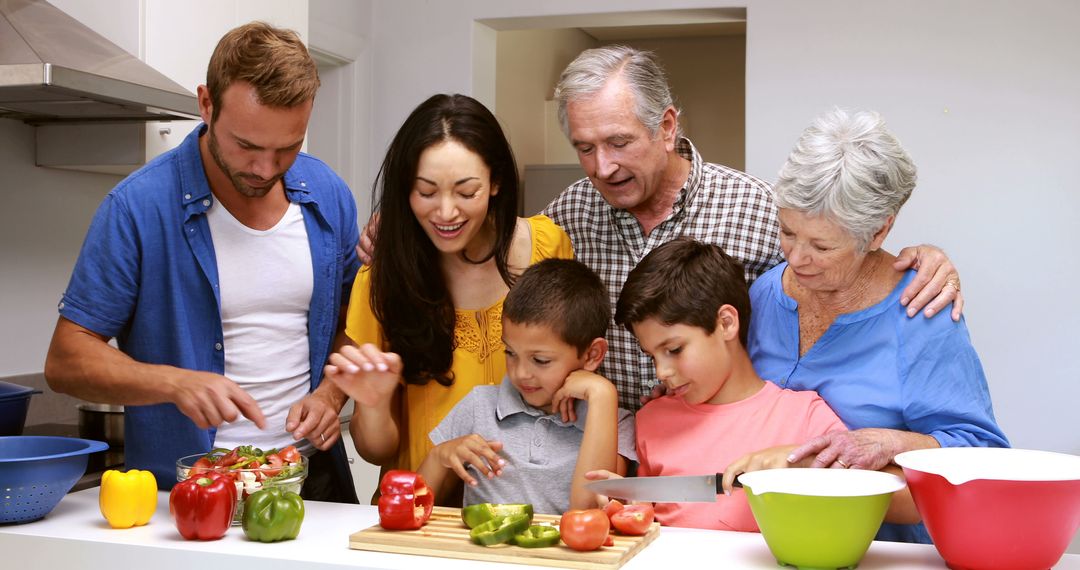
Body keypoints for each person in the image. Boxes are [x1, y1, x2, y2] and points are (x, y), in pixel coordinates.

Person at [541, 46, 965, 411]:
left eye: (618, 142)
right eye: (584, 148)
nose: (602, 166)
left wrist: (927, 258)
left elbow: (847, 259)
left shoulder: (758, 208)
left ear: (666, 127)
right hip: (597, 449)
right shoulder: (564, 218)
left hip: (718, 454)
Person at [43, 22, 359, 502]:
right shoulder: (137, 207)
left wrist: (332, 394)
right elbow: (66, 360)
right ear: (206, 104)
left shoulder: (329, 195)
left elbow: (353, 324)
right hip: (191, 492)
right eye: (248, 146)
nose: (265, 168)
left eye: (288, 148)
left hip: (311, 480)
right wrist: (173, 382)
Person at [747, 108, 1009, 542]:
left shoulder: (921, 312)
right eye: (788, 232)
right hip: (781, 540)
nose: (795, 258)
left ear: (878, 231)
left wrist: (892, 441)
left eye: (821, 245)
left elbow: (985, 453)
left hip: (888, 550)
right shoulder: (762, 294)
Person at [323, 94, 574, 495]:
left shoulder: (549, 248)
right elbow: (376, 451)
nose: (445, 212)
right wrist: (372, 403)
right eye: (426, 192)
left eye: (465, 192)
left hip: (527, 511)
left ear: (495, 183)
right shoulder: (382, 279)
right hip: (423, 514)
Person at [589, 237, 919, 531]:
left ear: (726, 323)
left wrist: (814, 470)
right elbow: (653, 520)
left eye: (674, 350)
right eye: (652, 355)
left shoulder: (803, 416)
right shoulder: (652, 420)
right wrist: (629, 506)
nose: (661, 371)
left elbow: (912, 505)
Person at [417, 259, 636, 514]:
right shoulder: (480, 405)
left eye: (540, 360)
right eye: (510, 352)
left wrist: (602, 394)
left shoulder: (615, 423)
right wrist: (440, 456)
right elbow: (413, 505)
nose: (519, 373)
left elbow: (587, 510)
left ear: (592, 355)